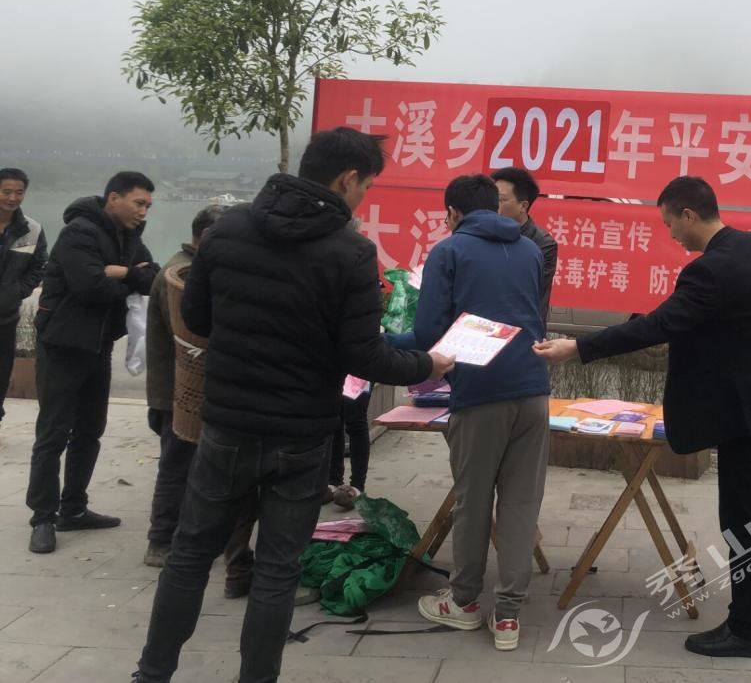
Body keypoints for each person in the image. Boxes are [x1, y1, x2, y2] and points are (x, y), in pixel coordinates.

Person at [132, 128, 454, 683]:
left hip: (227, 424)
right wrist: (430, 364)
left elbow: (199, 319)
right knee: (278, 571)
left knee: (189, 556)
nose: (364, 198)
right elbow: (363, 355)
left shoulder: (228, 231)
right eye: (367, 186)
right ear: (347, 179)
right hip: (301, 437)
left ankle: (152, 674)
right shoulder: (351, 253)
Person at [535, 175, 751, 659]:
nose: (671, 235)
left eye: (670, 224)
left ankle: (746, 629)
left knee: (742, 514)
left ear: (689, 214)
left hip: (746, 408)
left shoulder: (708, 270)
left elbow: (660, 325)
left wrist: (577, 348)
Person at [387, 173, 549, 653]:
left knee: (473, 501)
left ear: (453, 213)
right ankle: (509, 616)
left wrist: (381, 342)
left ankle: (463, 602)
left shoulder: (449, 251)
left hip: (480, 392)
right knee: (521, 504)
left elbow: (428, 333)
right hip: (534, 388)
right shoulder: (530, 250)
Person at [27, 171, 157, 554]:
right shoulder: (79, 232)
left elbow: (154, 278)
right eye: (139, 203)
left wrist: (124, 272)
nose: (143, 211)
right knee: (53, 435)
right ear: (113, 198)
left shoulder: (129, 236)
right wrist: (131, 277)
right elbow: (90, 287)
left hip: (99, 346)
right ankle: (43, 518)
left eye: (148, 205)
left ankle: (74, 508)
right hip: (63, 345)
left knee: (89, 431)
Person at [142, 204, 256, 599]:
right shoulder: (181, 273)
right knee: (176, 466)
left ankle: (189, 536)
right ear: (207, 237)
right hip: (177, 391)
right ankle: (161, 539)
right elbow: (195, 334)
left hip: (187, 390)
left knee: (194, 468)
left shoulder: (194, 268)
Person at [0, 167, 48, 431]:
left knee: (1, 373)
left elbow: (39, 266)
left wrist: (18, 291)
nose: (12, 198)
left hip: (5, 315)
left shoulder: (32, 229)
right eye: (6, 191)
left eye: (19, 192)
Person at [491, 166, 558, 324]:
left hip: (522, 327)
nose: (493, 206)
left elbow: (525, 290)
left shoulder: (543, 243)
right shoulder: (484, 233)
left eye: (501, 200)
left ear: (523, 206)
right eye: (491, 199)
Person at [325, 386, 371, 509]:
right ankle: (333, 480)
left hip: (358, 374)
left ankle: (357, 485)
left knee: (355, 415)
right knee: (333, 416)